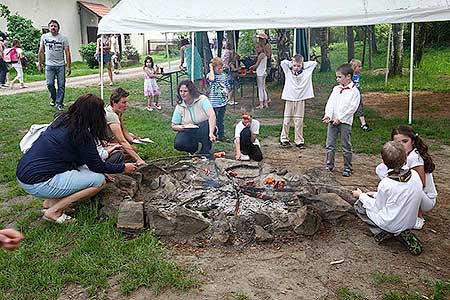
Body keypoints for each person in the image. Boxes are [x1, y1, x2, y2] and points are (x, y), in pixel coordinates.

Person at [16, 94, 137, 223]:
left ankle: (51, 202)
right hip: (38, 182)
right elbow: (96, 166)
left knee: (93, 175)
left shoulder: (64, 121)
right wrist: (123, 167)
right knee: (99, 181)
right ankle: (54, 211)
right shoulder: (82, 134)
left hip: (25, 173)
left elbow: (84, 161)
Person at [352, 141, 427, 255]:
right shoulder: (415, 175)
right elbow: (399, 196)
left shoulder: (386, 183)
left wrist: (361, 196)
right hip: (410, 222)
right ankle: (401, 232)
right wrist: (375, 194)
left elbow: (377, 207)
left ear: (384, 163)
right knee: (372, 201)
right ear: (405, 159)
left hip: (391, 223)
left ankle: (384, 231)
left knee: (359, 205)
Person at [375, 125, 437, 229]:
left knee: (412, 185)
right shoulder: (401, 155)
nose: (402, 145)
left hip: (426, 199)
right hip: (411, 189)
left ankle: (418, 215)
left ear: (412, 141)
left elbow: (420, 186)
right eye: (397, 143)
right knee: (381, 168)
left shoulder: (415, 157)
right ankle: (395, 196)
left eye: (405, 141)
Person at [322, 63, 360, 177]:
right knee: (330, 144)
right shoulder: (336, 89)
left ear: (348, 76)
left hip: (345, 122)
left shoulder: (354, 91)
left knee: (345, 145)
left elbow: (352, 108)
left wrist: (341, 118)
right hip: (332, 121)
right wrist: (328, 115)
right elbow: (330, 103)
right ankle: (329, 165)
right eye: (337, 77)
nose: (337, 79)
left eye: (339, 77)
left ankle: (347, 167)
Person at [279, 54, 317, 148]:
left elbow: (313, 63)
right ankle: (284, 138)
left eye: (298, 66)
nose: (296, 68)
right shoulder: (288, 71)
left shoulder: (306, 72)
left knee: (299, 120)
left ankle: (299, 140)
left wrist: (302, 64)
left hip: (300, 98)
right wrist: (292, 62)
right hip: (289, 98)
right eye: (295, 65)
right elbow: (283, 63)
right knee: (287, 120)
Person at [171, 80, 216, 158]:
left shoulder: (202, 99)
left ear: (191, 91)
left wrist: (211, 132)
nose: (182, 93)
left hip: (204, 127)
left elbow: (212, 115)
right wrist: (183, 127)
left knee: (205, 125)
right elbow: (173, 125)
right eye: (181, 91)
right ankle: (193, 150)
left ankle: (205, 152)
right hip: (189, 129)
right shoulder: (180, 106)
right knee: (178, 143)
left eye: (185, 91)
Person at [105, 87, 146, 166]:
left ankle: (122, 158)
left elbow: (123, 129)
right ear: (114, 102)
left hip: (111, 138)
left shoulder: (118, 111)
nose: (127, 105)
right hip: (105, 142)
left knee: (131, 137)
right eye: (124, 102)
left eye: (127, 102)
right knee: (132, 149)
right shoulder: (111, 116)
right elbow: (122, 141)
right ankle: (112, 162)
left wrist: (132, 140)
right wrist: (139, 159)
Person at [38, 20, 71, 111]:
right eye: (51, 26)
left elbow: (67, 52)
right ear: (49, 28)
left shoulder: (63, 38)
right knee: (49, 84)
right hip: (49, 65)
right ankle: (53, 97)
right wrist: (40, 64)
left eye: (55, 26)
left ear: (58, 28)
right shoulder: (44, 37)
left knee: (61, 85)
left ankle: (59, 103)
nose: (53, 27)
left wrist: (68, 66)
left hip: (61, 65)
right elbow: (41, 51)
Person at [207, 57, 231, 142]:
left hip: (222, 102)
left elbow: (227, 86)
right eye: (219, 68)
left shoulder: (224, 76)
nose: (221, 70)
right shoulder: (211, 75)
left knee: (220, 120)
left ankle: (221, 135)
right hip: (214, 103)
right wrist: (211, 69)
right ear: (214, 68)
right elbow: (212, 79)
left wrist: (228, 94)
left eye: (222, 68)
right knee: (214, 120)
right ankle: (213, 134)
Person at [350, 59, 372, 131]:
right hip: (350, 95)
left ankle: (363, 124)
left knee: (360, 108)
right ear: (354, 67)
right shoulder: (349, 76)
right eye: (359, 66)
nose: (360, 68)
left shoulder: (358, 75)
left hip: (358, 95)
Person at [249, 43, 268, 109]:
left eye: (258, 47)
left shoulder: (261, 55)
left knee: (260, 88)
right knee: (263, 88)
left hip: (260, 73)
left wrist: (250, 68)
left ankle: (261, 104)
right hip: (264, 72)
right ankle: (265, 103)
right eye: (256, 47)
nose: (257, 49)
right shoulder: (264, 55)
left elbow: (256, 65)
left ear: (262, 47)